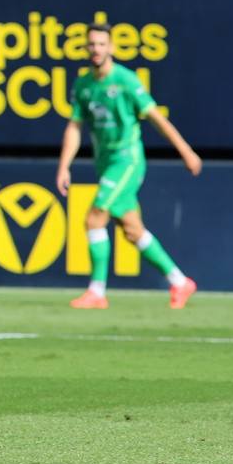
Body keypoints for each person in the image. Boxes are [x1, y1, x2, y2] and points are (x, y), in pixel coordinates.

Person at [57, 23, 202, 310]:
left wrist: (185, 151)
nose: (96, 49)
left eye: (101, 44)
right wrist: (64, 167)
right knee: (133, 230)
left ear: (110, 47)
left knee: (95, 216)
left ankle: (97, 292)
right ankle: (180, 282)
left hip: (127, 160)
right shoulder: (84, 85)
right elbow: (74, 127)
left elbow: (155, 117)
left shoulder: (125, 80)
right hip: (105, 162)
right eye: (92, 44)